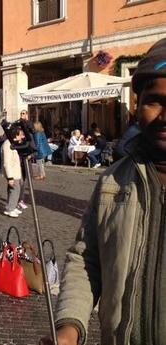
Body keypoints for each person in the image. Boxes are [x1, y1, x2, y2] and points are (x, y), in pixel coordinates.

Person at [40, 38, 166, 345]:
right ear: (138, 106)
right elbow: (86, 259)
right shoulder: (112, 182)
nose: (165, 116)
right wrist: (70, 326)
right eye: (155, 101)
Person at [1, 127, 23, 218]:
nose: (22, 136)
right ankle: (11, 209)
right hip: (12, 173)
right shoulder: (8, 145)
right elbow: (7, 162)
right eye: (20, 135)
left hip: (15, 172)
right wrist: (10, 177)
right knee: (15, 190)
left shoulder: (13, 143)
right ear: (15, 135)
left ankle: (10, 206)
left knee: (14, 190)